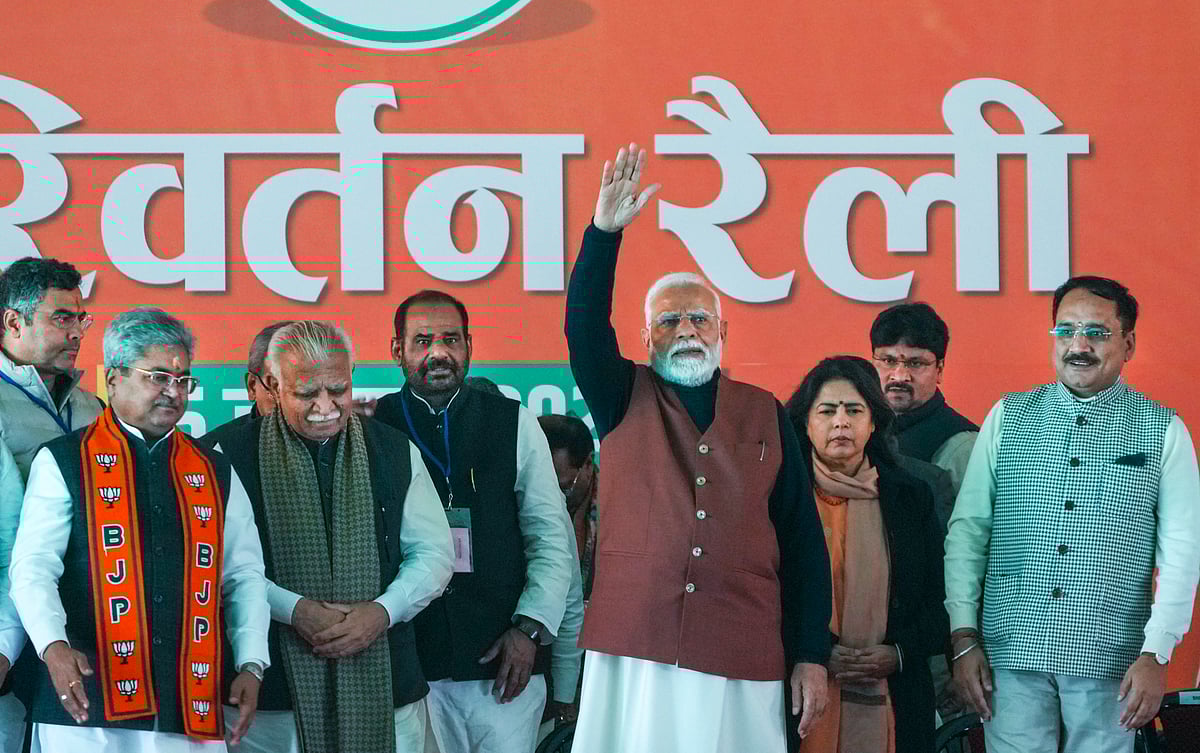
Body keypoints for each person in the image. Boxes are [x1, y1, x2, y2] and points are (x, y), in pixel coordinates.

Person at [565, 143, 832, 753]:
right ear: (645, 335)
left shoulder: (765, 409)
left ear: (722, 331)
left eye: (698, 320)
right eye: (668, 321)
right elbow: (582, 323)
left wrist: (812, 653)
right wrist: (604, 235)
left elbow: (802, 544)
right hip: (639, 645)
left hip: (741, 644)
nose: (685, 330)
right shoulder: (619, 394)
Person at [945, 276, 1200, 753]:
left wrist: (1157, 652)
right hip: (1009, 654)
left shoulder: (1162, 429)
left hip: (1112, 661)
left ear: (1128, 344)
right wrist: (964, 638)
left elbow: (1183, 553)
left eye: (1097, 333)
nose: (1078, 345)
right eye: (1065, 331)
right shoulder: (1010, 415)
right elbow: (968, 532)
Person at [8, 306, 270, 752]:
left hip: (189, 704)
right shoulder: (66, 460)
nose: (174, 392)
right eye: (158, 378)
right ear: (113, 378)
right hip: (86, 707)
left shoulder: (213, 468)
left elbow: (243, 576)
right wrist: (53, 646)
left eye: (183, 380)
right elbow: (33, 568)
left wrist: (251, 663)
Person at [203, 320, 454, 752]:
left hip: (385, 680)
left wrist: (381, 612)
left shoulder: (392, 448)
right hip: (270, 694)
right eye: (306, 393)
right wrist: (294, 610)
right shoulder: (220, 456)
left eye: (338, 390)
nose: (327, 406)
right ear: (272, 385)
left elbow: (434, 553)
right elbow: (216, 564)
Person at [371, 291, 575, 753]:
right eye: (422, 340)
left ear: (469, 345)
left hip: (504, 660)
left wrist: (529, 629)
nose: (438, 352)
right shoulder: (373, 427)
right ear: (396, 351)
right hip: (408, 663)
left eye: (450, 339)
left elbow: (550, 538)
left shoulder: (513, 422)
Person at [785, 356, 948, 753]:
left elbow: (939, 602)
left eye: (854, 410)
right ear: (806, 423)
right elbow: (762, 600)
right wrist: (816, 650)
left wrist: (898, 653)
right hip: (798, 692)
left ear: (873, 421)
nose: (841, 422)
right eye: (827, 411)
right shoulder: (782, 500)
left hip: (896, 695)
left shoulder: (910, 498)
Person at [0, 256, 105, 748]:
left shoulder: (94, 407)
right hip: (12, 629)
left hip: (92, 625)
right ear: (13, 322)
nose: (77, 331)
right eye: (61, 318)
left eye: (80, 318)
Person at [870, 303, 978, 493]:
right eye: (888, 361)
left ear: (939, 370)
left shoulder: (964, 446)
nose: (900, 376)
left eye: (915, 363)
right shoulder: (857, 429)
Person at [537, 414, 597, 599]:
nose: (552, 498)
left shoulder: (622, 514)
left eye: (564, 487)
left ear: (588, 464)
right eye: (541, 487)